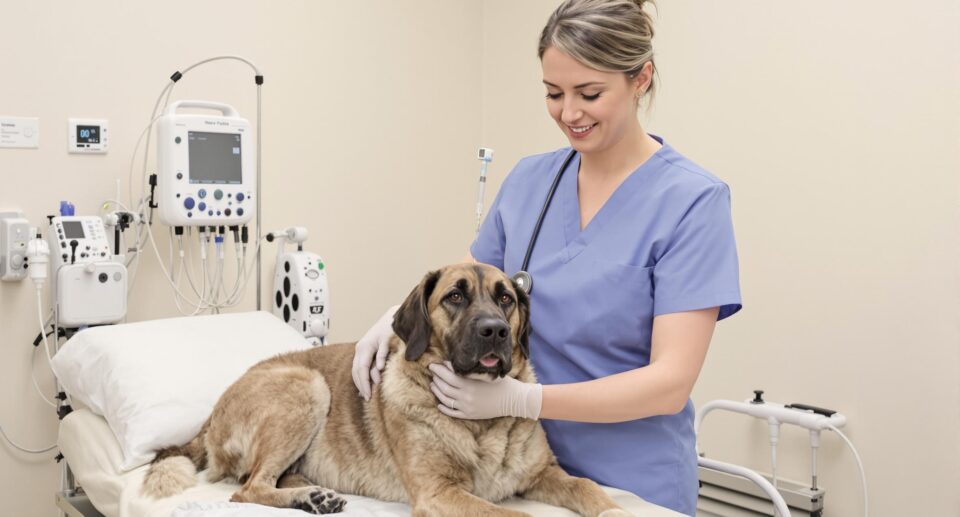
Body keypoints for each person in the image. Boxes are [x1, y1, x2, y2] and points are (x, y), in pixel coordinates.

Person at [352, 0, 741, 514]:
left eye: (590, 93)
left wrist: (525, 400)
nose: (569, 113)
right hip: (511, 470)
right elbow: (469, 279)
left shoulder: (692, 201)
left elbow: (670, 383)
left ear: (641, 78)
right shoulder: (530, 181)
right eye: (554, 93)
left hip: (627, 479)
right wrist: (393, 320)